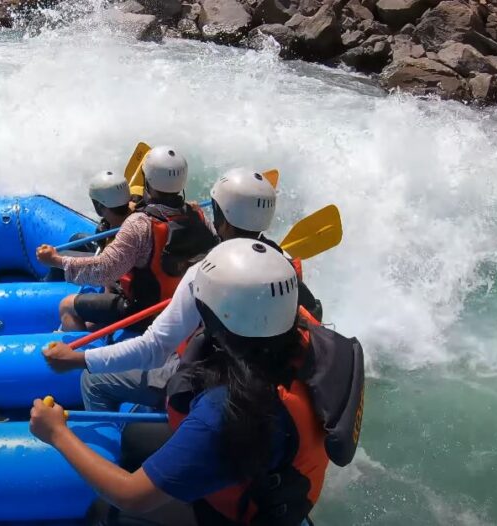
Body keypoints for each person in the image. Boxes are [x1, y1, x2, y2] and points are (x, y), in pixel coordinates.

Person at [30, 239, 364, 525]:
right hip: (271, 475)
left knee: (103, 509)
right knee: (132, 438)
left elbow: (131, 496)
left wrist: (56, 432)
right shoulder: (303, 334)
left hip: (240, 511)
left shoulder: (230, 408)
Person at [43, 168, 323, 412]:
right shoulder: (285, 266)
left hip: (212, 383)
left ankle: (119, 455)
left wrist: (79, 358)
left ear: (220, 217)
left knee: (92, 382)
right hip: (267, 383)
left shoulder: (204, 273)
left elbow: (154, 348)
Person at [36, 146, 216, 331]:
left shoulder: (139, 224)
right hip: (185, 305)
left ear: (147, 181)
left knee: (67, 305)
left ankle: (77, 357)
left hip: (146, 313)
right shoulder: (198, 214)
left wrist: (56, 260)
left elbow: (105, 270)